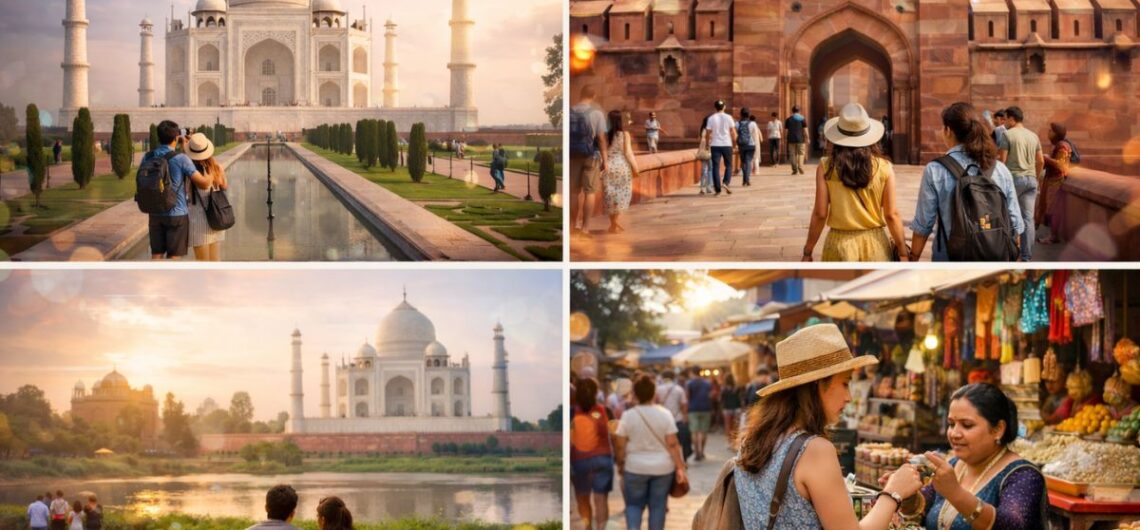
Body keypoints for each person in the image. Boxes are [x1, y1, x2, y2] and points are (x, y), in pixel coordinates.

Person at [734, 323, 923, 530]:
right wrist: (893, 493)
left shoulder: (754, 441)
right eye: (845, 383)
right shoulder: (814, 450)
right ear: (816, 385)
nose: (849, 396)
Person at [898, 383, 1046, 529]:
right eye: (951, 424)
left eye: (967, 425)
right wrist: (905, 496)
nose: (954, 434)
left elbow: (1012, 526)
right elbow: (920, 512)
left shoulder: (1024, 475)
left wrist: (955, 493)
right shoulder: (955, 465)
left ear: (997, 429)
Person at [910, 102, 1024, 261]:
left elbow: (923, 224)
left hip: (950, 257)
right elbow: (1015, 222)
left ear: (948, 130)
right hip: (994, 255)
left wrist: (913, 257)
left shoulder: (935, 170)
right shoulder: (1000, 169)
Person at [801, 103, 909, 262]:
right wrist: (903, 252)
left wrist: (808, 251)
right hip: (875, 244)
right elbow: (891, 214)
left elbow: (820, 213)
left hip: (839, 244)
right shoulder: (885, 167)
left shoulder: (826, 166)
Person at [613, 374, 687, 530]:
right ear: (654, 393)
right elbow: (673, 444)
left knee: (633, 505)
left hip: (634, 467)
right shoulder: (665, 414)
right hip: (662, 468)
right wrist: (680, 467)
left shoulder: (628, 416)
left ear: (635, 393)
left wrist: (620, 463)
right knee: (658, 507)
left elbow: (620, 445)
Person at [143, 121, 212, 260]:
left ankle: (155, 281)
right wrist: (210, 175)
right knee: (174, 256)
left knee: (156, 254)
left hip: (155, 212)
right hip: (177, 213)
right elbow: (203, 184)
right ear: (176, 137)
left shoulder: (148, 156)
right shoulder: (181, 158)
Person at [997, 106, 1042, 261]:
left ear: (1011, 119)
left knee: (1008, 216)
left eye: (1006, 118)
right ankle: (1026, 257)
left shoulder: (1007, 135)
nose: (1005, 122)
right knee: (1028, 219)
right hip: (1030, 180)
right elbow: (1040, 160)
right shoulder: (1033, 136)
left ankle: (1009, 254)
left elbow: (1002, 161)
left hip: (1014, 179)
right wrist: (1035, 176)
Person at [570, 377, 614, 530]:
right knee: (601, 499)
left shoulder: (572, 413)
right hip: (602, 459)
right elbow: (613, 434)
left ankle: (587, 527)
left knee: (583, 499)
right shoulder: (603, 410)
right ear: (597, 392)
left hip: (579, 461)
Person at [569, 85, 609, 236]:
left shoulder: (569, 111)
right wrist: (605, 160)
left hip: (573, 156)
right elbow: (601, 138)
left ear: (580, 94)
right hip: (590, 156)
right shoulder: (596, 113)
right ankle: (585, 228)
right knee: (589, 192)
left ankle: (572, 227)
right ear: (594, 96)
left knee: (573, 193)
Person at [183, 133, 229, 261]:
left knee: (202, 264)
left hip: (198, 219)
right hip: (215, 218)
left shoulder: (190, 170)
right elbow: (224, 186)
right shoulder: (216, 167)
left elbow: (184, 191)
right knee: (214, 262)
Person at [602, 110, 639, 234]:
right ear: (620, 121)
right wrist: (635, 168)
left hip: (609, 167)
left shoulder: (604, 135)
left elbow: (603, 153)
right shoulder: (625, 134)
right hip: (622, 167)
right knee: (620, 196)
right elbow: (628, 153)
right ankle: (614, 223)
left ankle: (613, 224)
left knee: (610, 196)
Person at [1036, 122, 1072, 245]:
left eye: (1050, 131)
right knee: (1050, 209)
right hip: (1051, 180)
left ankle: (1053, 236)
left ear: (1056, 133)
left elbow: (1061, 165)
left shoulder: (1062, 146)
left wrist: (1046, 158)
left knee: (1053, 210)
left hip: (1057, 182)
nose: (1048, 133)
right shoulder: (1057, 145)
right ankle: (1052, 235)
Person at [655, 370, 691, 462]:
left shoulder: (658, 389)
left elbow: (655, 404)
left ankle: (669, 459)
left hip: (662, 420)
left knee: (666, 442)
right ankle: (682, 460)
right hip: (677, 419)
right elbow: (684, 405)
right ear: (673, 377)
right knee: (679, 442)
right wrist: (685, 417)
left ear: (663, 377)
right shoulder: (679, 389)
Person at [706, 100, 737, 196]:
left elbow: (708, 133)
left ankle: (718, 189)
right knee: (729, 165)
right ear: (724, 107)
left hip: (715, 144)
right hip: (727, 144)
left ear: (715, 107)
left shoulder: (711, 118)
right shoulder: (728, 117)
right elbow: (733, 132)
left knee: (715, 166)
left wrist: (707, 143)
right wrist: (735, 144)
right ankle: (726, 182)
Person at [686, 366, 713, 461]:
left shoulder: (689, 383)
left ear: (692, 372)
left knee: (694, 432)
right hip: (705, 408)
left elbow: (687, 397)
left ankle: (697, 452)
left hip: (693, 409)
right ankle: (702, 452)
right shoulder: (707, 383)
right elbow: (711, 395)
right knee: (704, 431)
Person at [737, 108, 759, 186]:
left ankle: (744, 180)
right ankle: (747, 179)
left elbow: (735, 134)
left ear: (741, 114)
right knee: (748, 161)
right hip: (751, 145)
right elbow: (755, 136)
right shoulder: (753, 124)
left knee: (743, 162)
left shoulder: (737, 123)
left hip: (742, 145)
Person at [720, 374, 742, 449]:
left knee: (728, 426)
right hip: (736, 408)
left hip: (727, 408)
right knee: (735, 426)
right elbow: (740, 398)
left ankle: (729, 442)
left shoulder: (724, 389)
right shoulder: (737, 388)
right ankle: (735, 442)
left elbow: (721, 399)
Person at [785, 106, 809, 175]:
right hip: (800, 139)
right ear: (799, 111)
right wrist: (808, 138)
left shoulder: (788, 119)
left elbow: (786, 131)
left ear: (792, 111)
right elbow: (805, 129)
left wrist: (786, 138)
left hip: (791, 139)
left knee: (792, 154)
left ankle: (795, 169)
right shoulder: (802, 119)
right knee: (801, 153)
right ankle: (800, 167)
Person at [698, 114, 714, 195]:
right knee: (710, 169)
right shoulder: (710, 130)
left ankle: (702, 187)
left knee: (704, 170)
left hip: (702, 150)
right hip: (709, 150)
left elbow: (700, 141)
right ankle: (708, 187)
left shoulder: (702, 129)